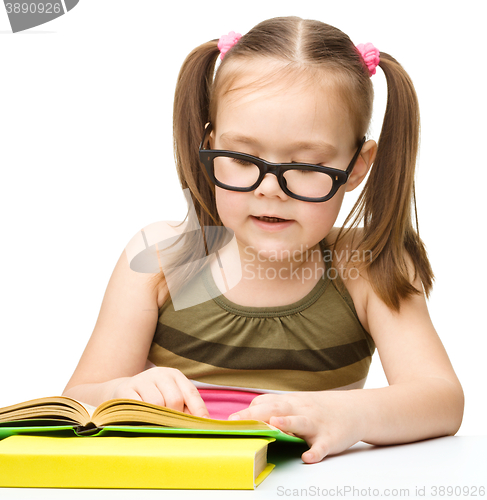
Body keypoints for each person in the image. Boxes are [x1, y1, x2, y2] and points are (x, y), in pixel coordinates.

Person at [62, 16, 464, 463]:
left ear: (355, 167)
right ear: (211, 144)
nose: (269, 188)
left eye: (307, 165)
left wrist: (346, 415)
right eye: (239, 157)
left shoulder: (365, 266)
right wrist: (120, 391)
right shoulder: (160, 259)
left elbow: (441, 400)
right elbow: (76, 398)